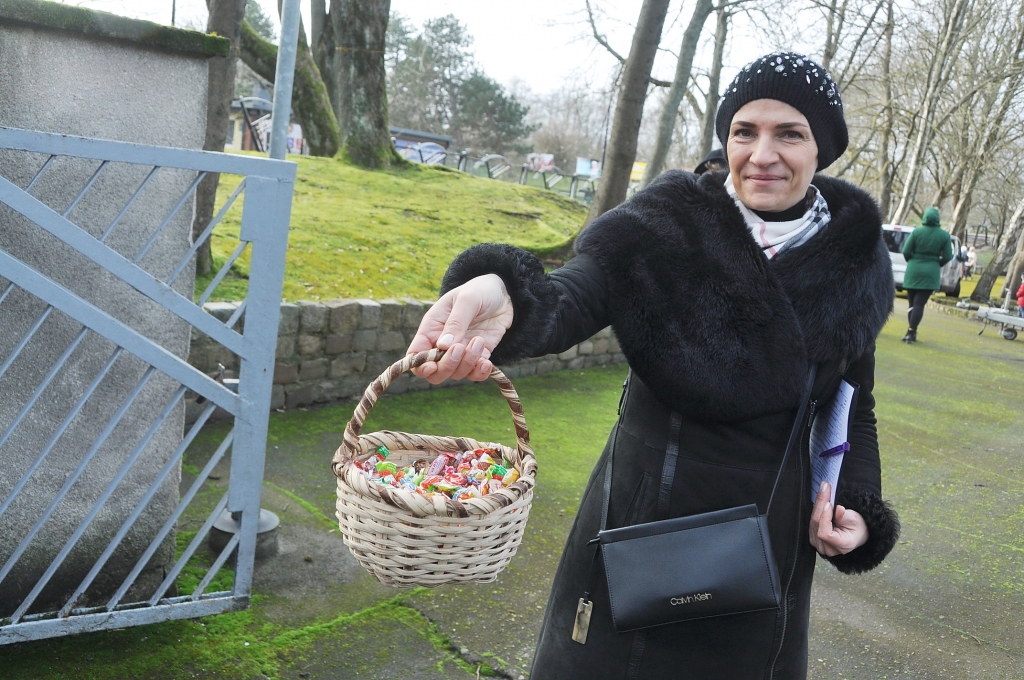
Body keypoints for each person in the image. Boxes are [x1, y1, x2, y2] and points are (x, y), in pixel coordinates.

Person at [407, 52, 899, 679]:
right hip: (638, 521)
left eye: (790, 134)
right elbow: (572, 295)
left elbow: (854, 408)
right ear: (727, 138)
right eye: (745, 131)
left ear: (821, 149)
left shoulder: (853, 264)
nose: (762, 154)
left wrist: (857, 503)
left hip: (764, 540)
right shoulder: (666, 223)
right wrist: (504, 291)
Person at [900, 207, 953, 343]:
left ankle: (911, 331)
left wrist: (912, 261)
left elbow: (906, 251)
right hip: (931, 272)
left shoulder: (916, 232)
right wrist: (937, 263)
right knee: (919, 304)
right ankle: (912, 331)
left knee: (912, 303)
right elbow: (948, 256)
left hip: (913, 270)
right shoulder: (944, 235)